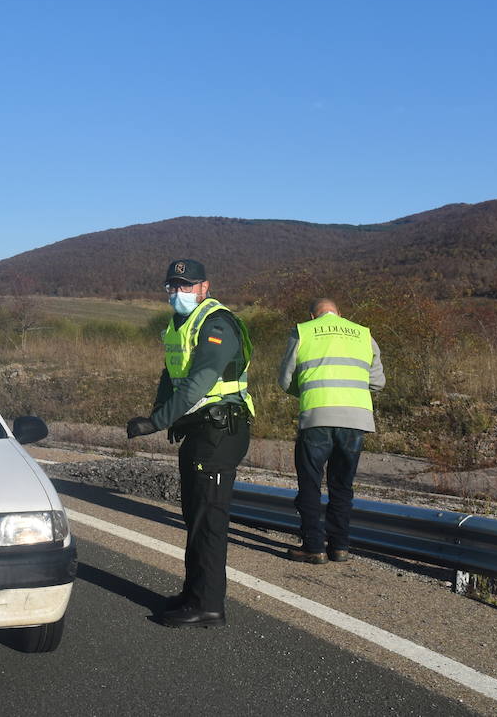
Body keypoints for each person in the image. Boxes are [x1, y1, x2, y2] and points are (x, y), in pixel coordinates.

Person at [125, 259, 254, 628]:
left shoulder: (217, 324)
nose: (178, 292)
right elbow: (172, 374)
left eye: (186, 285)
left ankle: (208, 606)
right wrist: (170, 415)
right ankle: (194, 593)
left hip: (220, 430)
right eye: (173, 286)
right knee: (195, 516)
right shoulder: (180, 324)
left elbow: (200, 381)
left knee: (209, 521)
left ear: (204, 287)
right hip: (200, 429)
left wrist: (156, 421)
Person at [278, 298, 385, 564]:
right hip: (355, 420)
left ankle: (314, 546)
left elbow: (285, 379)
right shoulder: (363, 334)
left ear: (312, 315)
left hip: (317, 415)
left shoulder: (303, 331)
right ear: (341, 313)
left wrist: (304, 391)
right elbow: (378, 382)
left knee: (311, 483)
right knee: (342, 485)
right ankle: (340, 546)